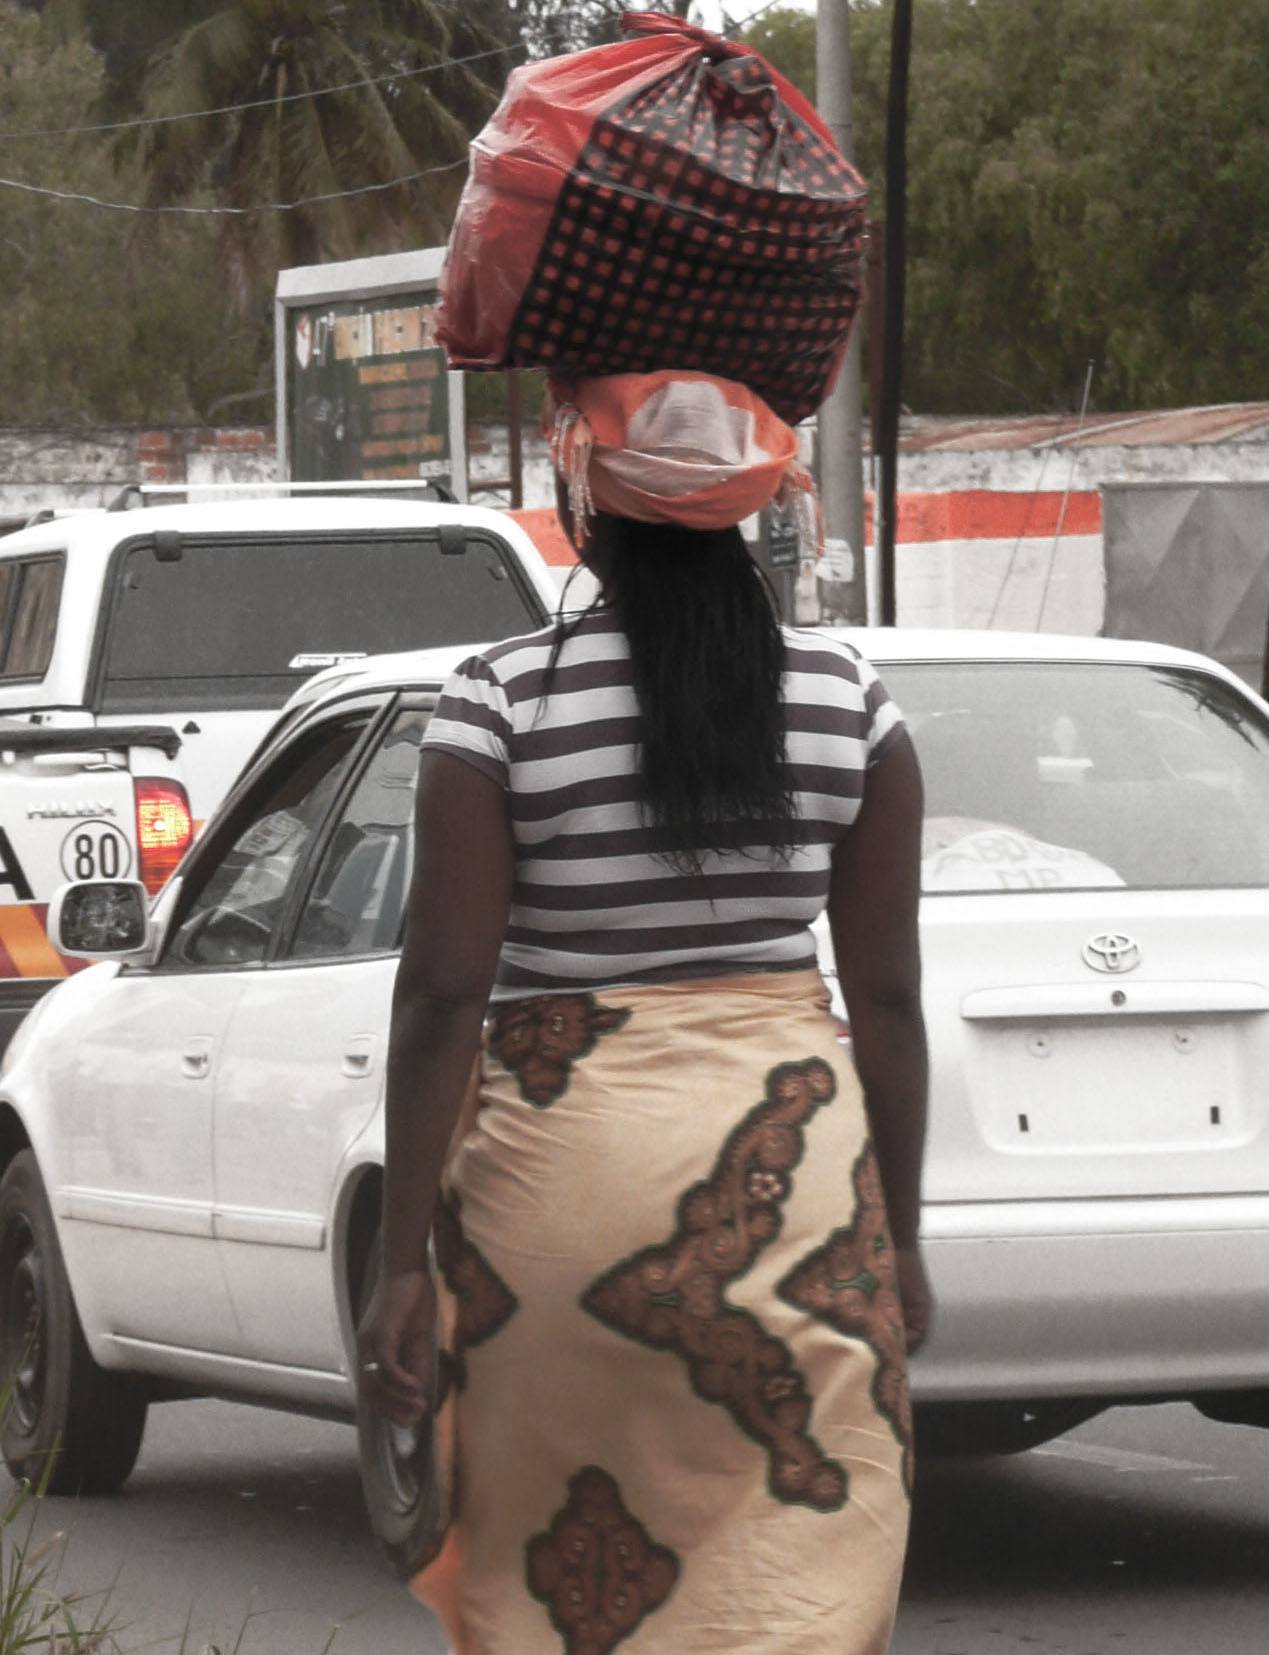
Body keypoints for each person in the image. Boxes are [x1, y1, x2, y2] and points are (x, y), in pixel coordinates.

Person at [359, 369, 931, 1655]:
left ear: (586, 514)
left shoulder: (497, 702)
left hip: (553, 1202)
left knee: (565, 1591)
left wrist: (401, 1261)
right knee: (804, 1566)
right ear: (742, 522)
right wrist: (903, 1238)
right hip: (796, 1201)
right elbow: (887, 1002)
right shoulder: (851, 703)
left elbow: (445, 993)